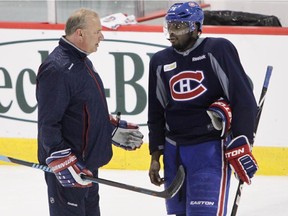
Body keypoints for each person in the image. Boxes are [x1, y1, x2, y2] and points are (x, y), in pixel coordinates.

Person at [147, 2, 258, 216]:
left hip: (209, 150)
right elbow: (156, 111)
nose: (172, 32)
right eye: (170, 26)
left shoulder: (217, 50)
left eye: (179, 26)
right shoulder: (160, 61)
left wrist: (243, 141)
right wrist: (155, 155)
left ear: (196, 27)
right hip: (174, 152)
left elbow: (242, 98)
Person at [36, 8, 143, 216]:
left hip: (87, 167)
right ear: (80, 33)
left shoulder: (81, 61)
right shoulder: (57, 69)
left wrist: (108, 129)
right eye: (97, 32)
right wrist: (62, 161)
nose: (102, 36)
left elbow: (83, 110)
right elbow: (48, 124)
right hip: (68, 172)